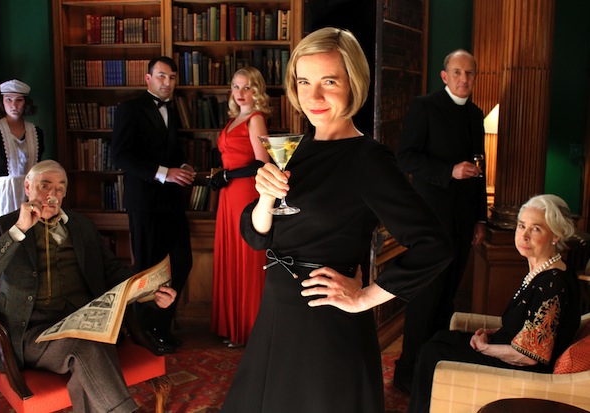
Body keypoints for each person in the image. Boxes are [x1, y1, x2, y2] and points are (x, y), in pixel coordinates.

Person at [220, 27, 453, 413]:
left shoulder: (368, 160)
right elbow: (257, 236)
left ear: (353, 83)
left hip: (326, 325)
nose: (313, 96)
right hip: (276, 314)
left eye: (329, 81)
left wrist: (365, 298)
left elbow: (434, 246)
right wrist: (264, 198)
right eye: (304, 82)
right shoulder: (294, 150)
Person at [0, 160, 177, 412]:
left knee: (90, 348)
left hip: (86, 322)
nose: (52, 194)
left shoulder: (82, 226)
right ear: (27, 187)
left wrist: (151, 292)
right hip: (32, 333)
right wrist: (19, 229)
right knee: (87, 345)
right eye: (44, 186)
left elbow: (113, 271)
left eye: (59, 188)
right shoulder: (4, 226)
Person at [408, 194, 581, 413]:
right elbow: (529, 325)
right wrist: (493, 333)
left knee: (433, 353)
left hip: (525, 373)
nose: (524, 235)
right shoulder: (542, 270)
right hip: (510, 351)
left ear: (556, 235)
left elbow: (529, 357)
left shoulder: (553, 283)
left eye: (536, 229)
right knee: (440, 338)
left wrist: (486, 348)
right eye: (521, 226)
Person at [393, 49, 488, 393]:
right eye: (458, 72)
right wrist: (449, 171)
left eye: (470, 73)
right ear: (445, 76)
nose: (464, 79)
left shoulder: (476, 115)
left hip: (464, 221)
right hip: (431, 219)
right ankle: (407, 372)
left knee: (448, 296)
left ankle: (433, 369)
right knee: (426, 295)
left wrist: (480, 218)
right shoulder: (425, 107)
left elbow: (480, 169)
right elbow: (405, 158)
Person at [111, 56, 195, 355]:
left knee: (182, 261)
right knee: (148, 268)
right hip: (144, 201)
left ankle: (160, 327)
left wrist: (182, 166)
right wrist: (163, 173)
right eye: (161, 76)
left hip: (172, 200)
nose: (167, 82)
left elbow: (172, 151)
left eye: (172, 77)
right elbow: (119, 156)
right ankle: (146, 333)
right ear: (148, 78)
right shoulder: (129, 109)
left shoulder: (172, 108)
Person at [209, 67, 271, 348]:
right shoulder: (235, 119)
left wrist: (227, 175)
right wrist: (222, 176)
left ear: (256, 90)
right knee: (231, 254)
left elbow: (261, 163)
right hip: (228, 195)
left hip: (245, 193)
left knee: (246, 257)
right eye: (236, 87)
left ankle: (247, 329)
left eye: (247, 87)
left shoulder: (256, 119)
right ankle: (231, 326)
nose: (240, 93)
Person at [0, 79, 45, 224]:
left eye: (19, 100)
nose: (14, 105)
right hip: (2, 196)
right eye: (8, 99)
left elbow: (39, 168)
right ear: (2, 102)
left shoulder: (36, 132)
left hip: (29, 194)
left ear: (26, 103)